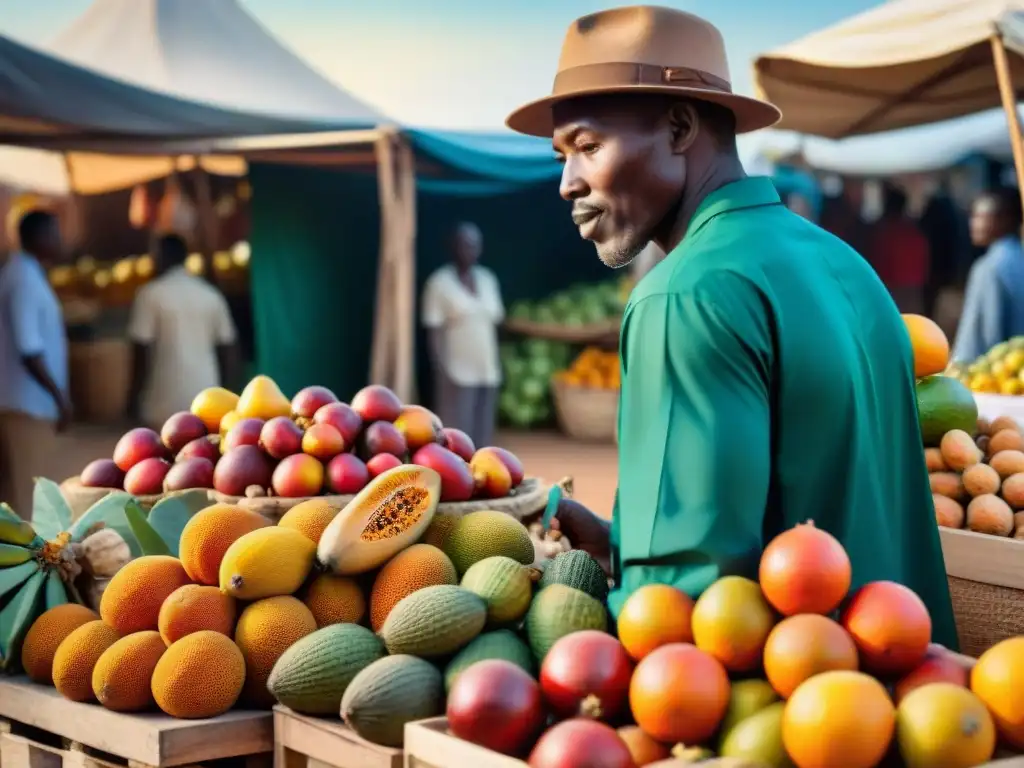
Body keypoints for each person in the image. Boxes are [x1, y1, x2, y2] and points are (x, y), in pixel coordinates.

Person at [505, 6, 957, 647]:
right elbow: (822, 495)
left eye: (587, 146)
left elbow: (680, 601)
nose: (566, 183)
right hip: (910, 690)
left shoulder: (683, 294)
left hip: (799, 712)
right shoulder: (849, 267)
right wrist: (617, 544)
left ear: (680, 127)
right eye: (561, 156)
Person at [127, 233, 239, 429]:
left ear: (160, 257)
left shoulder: (150, 294)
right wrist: (229, 395)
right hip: (207, 400)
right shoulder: (210, 294)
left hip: (162, 402)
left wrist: (132, 399)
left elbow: (140, 351)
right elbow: (228, 348)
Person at [0, 209, 70, 519]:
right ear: (38, 237)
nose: (60, 240)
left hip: (26, 404)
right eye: (55, 233)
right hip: (26, 406)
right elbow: (29, 349)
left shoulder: (25, 273)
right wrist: (59, 397)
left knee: (19, 496)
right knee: (31, 503)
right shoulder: (24, 279)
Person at [421, 222, 504, 448]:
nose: (470, 250)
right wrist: (440, 368)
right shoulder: (439, 283)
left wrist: (497, 361)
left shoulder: (488, 279)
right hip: (455, 371)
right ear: (452, 247)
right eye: (464, 245)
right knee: (455, 435)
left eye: (474, 245)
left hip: (487, 369)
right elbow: (433, 328)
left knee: (483, 435)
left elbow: (495, 322)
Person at [951, 188, 1024, 363]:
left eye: (980, 217)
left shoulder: (989, 267)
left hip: (996, 381)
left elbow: (976, 340)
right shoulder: (1017, 257)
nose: (973, 224)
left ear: (1005, 220)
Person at [869, 184, 930, 314]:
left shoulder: (883, 233)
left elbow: (878, 261)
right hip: (914, 291)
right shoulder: (915, 233)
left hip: (890, 292)